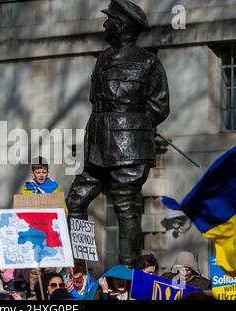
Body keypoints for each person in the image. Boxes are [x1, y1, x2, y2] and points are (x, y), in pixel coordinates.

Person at [66, 0, 170, 267]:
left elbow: (159, 106)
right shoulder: (103, 58)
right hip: (99, 143)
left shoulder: (148, 61)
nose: (104, 24)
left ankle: (128, 273)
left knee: (126, 208)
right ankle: (80, 267)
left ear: (120, 25)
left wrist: (132, 126)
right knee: (76, 200)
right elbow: (94, 98)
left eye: (108, 20)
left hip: (129, 145)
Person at [20, 157, 66, 297]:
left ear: (48, 172)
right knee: (35, 269)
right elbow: (20, 211)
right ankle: (35, 295)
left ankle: (52, 294)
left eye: (44, 171)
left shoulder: (54, 188)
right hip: (34, 236)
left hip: (49, 235)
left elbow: (63, 209)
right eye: (38, 171)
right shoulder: (26, 190)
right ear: (32, 173)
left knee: (49, 267)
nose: (41, 174)